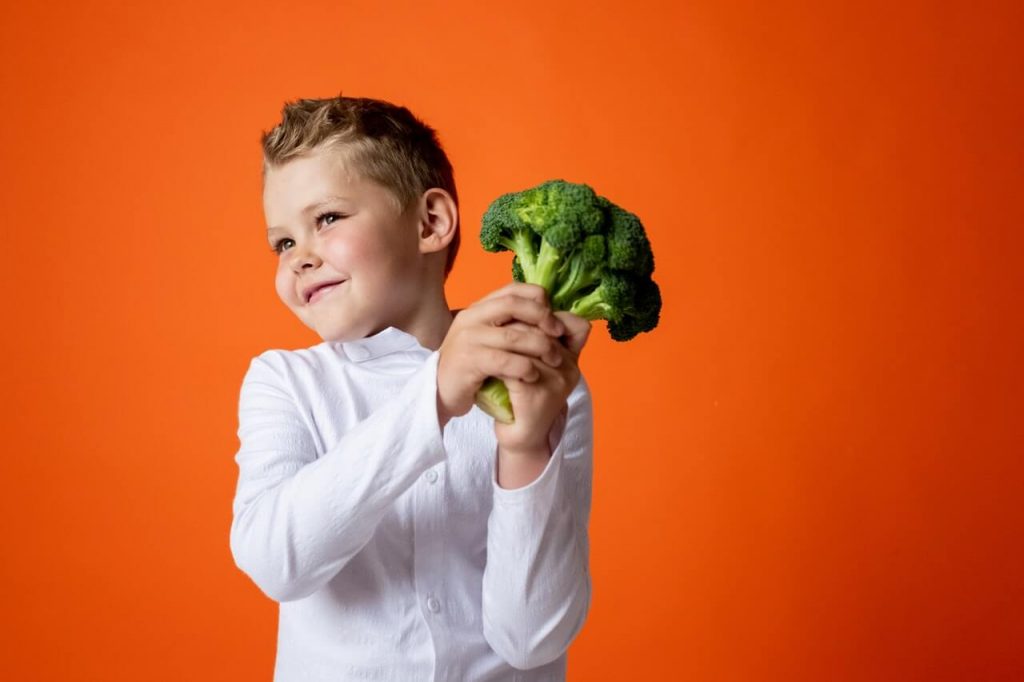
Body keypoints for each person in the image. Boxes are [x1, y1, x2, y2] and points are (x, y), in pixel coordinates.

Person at [229, 94, 594, 681]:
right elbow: (278, 562)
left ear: (430, 223)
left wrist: (526, 450)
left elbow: (533, 638)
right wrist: (436, 395)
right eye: (283, 242)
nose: (299, 258)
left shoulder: (542, 382)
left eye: (326, 219)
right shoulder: (285, 381)